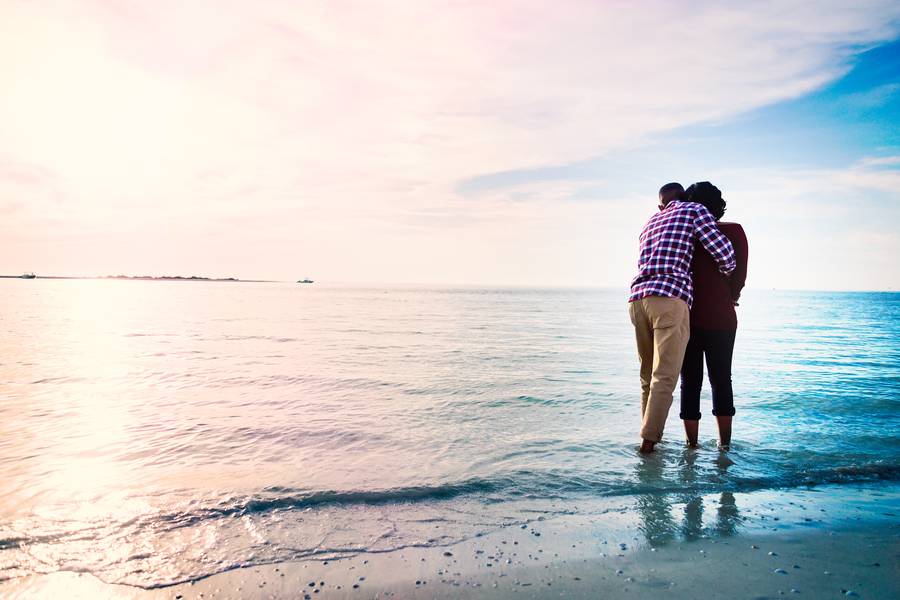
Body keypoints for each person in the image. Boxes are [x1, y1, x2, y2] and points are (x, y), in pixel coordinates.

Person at [628, 182, 736, 453]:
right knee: (664, 376)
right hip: (669, 298)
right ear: (684, 197)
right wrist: (726, 272)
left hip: (638, 299)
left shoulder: (650, 221)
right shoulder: (694, 210)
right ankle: (648, 445)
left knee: (647, 376)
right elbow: (725, 255)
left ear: (660, 203)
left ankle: (649, 440)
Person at [679, 182, 748, 451]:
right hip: (722, 317)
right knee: (721, 380)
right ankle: (724, 446)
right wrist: (730, 296)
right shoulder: (734, 231)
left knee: (690, 382)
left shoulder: (685, 234)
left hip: (688, 317)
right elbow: (739, 275)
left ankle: (691, 446)